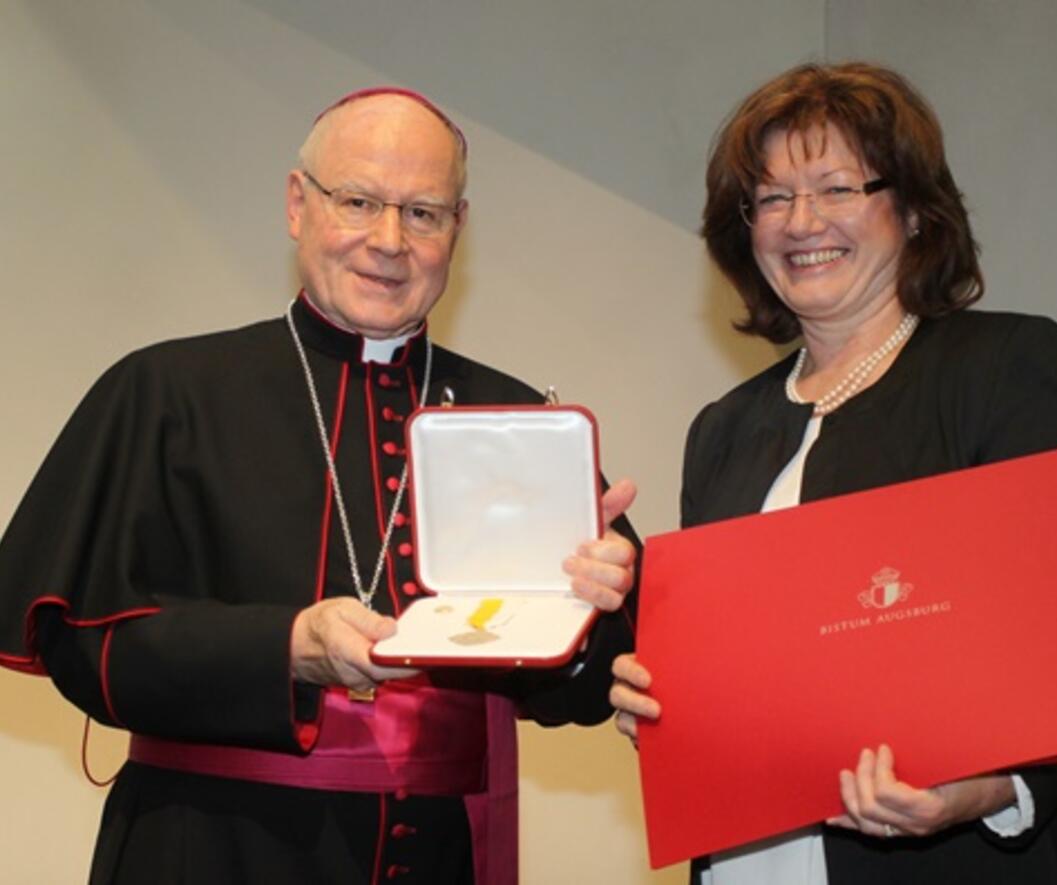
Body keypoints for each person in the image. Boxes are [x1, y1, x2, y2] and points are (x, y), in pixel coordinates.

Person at [0, 88, 637, 885]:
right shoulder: (167, 391)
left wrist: (594, 606)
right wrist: (289, 646)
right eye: (359, 202)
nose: (389, 241)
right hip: (209, 851)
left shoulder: (518, 420)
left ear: (458, 229)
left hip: (437, 860)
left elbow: (593, 689)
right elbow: (81, 646)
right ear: (298, 205)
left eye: (423, 213)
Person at [611, 62, 1057, 885]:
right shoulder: (720, 429)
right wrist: (663, 708)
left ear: (915, 208)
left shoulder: (1005, 366)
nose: (801, 221)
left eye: (837, 188)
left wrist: (987, 787)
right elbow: (738, 678)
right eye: (772, 198)